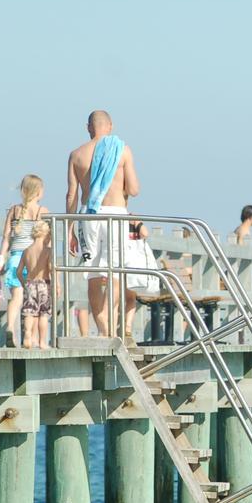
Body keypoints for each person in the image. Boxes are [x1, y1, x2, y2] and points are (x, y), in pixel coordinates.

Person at [66, 110, 142, 337]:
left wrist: (69, 228)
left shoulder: (76, 154)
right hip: (116, 214)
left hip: (88, 215)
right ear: (110, 126)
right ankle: (112, 322)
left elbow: (71, 195)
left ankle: (103, 329)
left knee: (93, 275)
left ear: (88, 127)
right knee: (116, 272)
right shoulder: (122, 150)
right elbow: (134, 190)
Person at [0, 174, 48, 348]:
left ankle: (10, 327)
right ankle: (31, 338)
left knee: (16, 297)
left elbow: (6, 237)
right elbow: (46, 239)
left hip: (15, 258)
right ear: (39, 192)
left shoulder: (14, 210)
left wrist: (1, 257)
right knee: (32, 301)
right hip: (32, 260)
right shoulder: (42, 211)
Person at [20, 220, 53, 349]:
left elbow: (18, 271)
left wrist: (24, 284)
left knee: (29, 312)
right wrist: (57, 284)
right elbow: (50, 268)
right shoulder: (48, 251)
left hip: (30, 283)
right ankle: (42, 342)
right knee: (43, 314)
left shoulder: (26, 250)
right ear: (47, 234)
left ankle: (27, 335)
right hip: (44, 283)